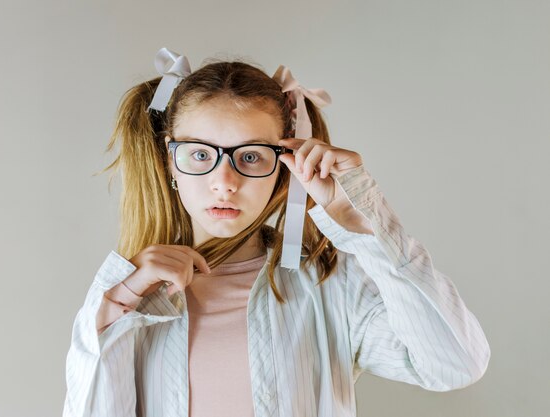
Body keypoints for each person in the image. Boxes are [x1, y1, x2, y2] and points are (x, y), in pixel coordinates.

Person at [63, 48, 490, 417]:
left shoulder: (331, 285)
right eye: (199, 154)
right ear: (170, 160)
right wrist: (118, 304)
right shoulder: (130, 299)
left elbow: (455, 365)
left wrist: (362, 219)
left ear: (285, 163)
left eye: (250, 156)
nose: (224, 181)